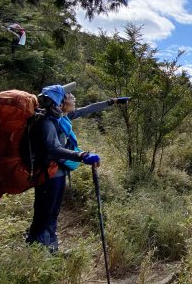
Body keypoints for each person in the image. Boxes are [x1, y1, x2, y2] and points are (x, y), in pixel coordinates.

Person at [25, 81, 129, 253]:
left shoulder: (61, 118)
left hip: (57, 173)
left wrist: (113, 101)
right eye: (70, 97)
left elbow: (88, 109)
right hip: (48, 175)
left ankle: (50, 249)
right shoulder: (47, 123)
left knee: (53, 213)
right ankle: (35, 252)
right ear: (60, 102)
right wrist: (81, 155)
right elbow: (53, 148)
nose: (74, 99)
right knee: (44, 214)